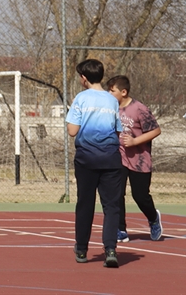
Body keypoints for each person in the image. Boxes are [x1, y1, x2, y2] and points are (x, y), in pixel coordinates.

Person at [66, 58, 124, 267]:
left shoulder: (81, 98)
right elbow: (118, 130)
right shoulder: (112, 100)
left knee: (85, 204)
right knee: (111, 206)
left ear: (83, 78)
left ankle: (82, 249)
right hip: (110, 157)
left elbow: (72, 131)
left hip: (86, 158)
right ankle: (110, 249)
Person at [105, 75, 163, 243]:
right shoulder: (111, 108)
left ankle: (153, 218)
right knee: (116, 194)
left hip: (139, 159)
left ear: (123, 92)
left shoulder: (139, 109)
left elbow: (156, 130)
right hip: (119, 158)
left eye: (112, 90)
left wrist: (135, 141)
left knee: (140, 195)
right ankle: (120, 229)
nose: (109, 93)